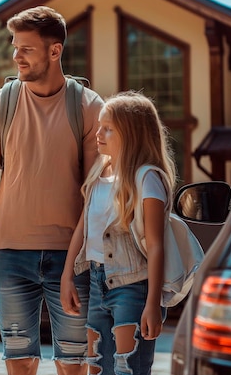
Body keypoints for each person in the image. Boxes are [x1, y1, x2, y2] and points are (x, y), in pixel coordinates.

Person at [0, 5, 104, 375]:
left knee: (74, 363)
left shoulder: (89, 108)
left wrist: (77, 261)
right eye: (15, 47)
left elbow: (94, 193)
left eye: (26, 49)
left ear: (54, 50)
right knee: (20, 361)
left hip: (71, 258)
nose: (16, 56)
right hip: (11, 255)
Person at [60, 91, 177, 375]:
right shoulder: (99, 175)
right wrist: (67, 276)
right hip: (96, 284)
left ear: (132, 134)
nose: (98, 133)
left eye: (108, 129)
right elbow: (82, 228)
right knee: (97, 367)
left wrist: (152, 303)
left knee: (128, 368)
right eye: (100, 126)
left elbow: (157, 246)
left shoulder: (147, 178)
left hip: (133, 288)